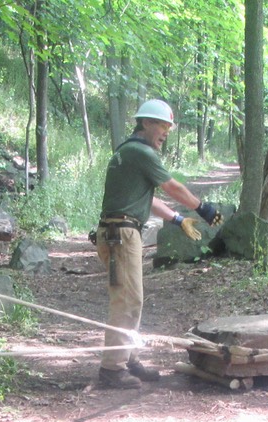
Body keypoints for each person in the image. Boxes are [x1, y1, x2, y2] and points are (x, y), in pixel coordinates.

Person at [94, 98, 222, 389]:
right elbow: (171, 187)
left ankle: (128, 359)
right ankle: (112, 369)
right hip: (121, 234)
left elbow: (146, 199)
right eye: (162, 125)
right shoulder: (142, 152)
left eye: (168, 127)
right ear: (145, 123)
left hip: (119, 232)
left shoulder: (127, 152)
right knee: (126, 301)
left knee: (132, 299)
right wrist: (202, 208)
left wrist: (178, 219)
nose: (166, 132)